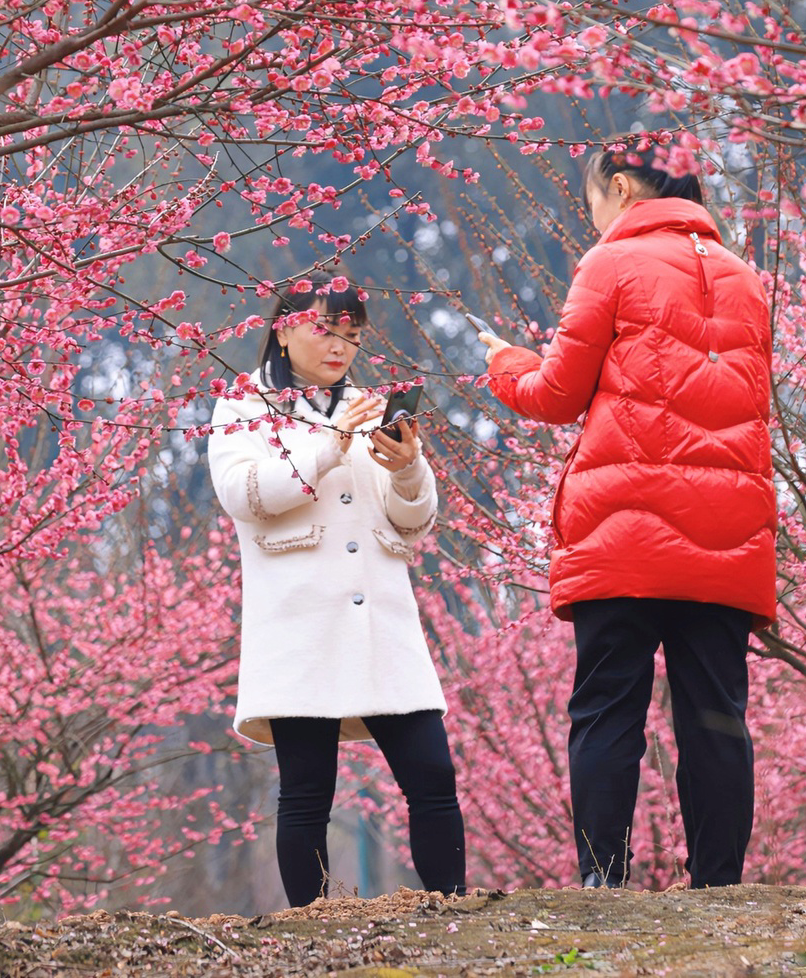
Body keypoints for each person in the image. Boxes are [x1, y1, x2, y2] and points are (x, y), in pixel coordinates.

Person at [477, 145, 775, 889]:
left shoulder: (611, 265)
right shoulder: (748, 282)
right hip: (726, 536)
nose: (595, 219)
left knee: (608, 710)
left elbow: (555, 395)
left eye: (593, 203)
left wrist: (505, 362)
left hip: (625, 534)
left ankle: (603, 882)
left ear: (619, 187)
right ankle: (717, 885)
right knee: (716, 717)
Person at [208, 282, 467, 908]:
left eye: (353, 335)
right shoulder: (243, 404)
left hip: (382, 615)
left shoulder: (368, 405)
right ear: (284, 328)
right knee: (306, 790)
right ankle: (310, 926)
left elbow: (415, 521)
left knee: (433, 775)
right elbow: (245, 495)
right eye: (327, 330)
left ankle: (454, 908)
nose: (341, 346)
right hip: (300, 619)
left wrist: (407, 466)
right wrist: (328, 446)